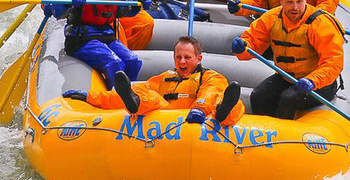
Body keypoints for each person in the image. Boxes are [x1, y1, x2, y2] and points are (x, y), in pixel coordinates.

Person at [63, 36, 245, 126]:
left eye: (187, 57)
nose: (182, 62)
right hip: (166, 120)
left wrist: (199, 109)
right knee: (144, 93)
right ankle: (134, 104)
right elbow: (135, 91)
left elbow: (209, 92)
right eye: (178, 57)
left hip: (199, 117)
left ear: (199, 59)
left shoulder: (210, 76)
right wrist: (89, 97)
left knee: (230, 101)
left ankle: (223, 112)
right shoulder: (164, 77)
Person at [230, 0, 344, 120]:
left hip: (318, 84)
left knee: (288, 99)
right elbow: (252, 41)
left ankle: (281, 132)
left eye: (299, 2)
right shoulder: (271, 17)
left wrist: (312, 80)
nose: (295, 7)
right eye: (290, 2)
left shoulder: (320, 23)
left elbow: (334, 62)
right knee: (258, 96)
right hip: (286, 78)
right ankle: (263, 129)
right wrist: (241, 48)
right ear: (281, 0)